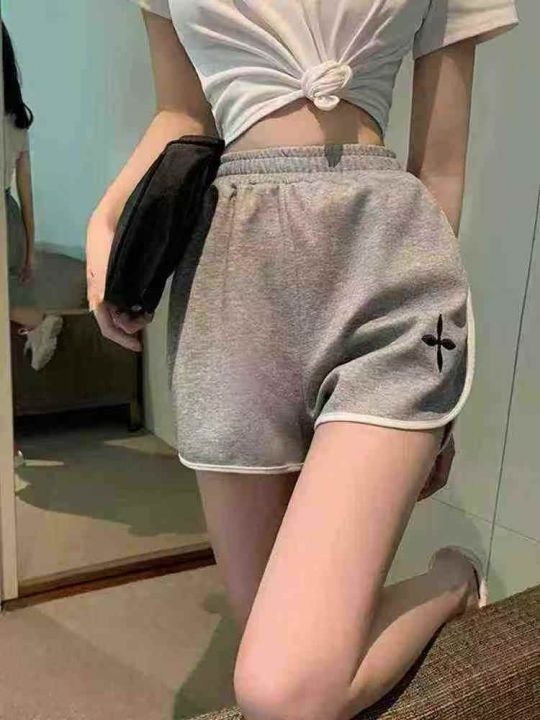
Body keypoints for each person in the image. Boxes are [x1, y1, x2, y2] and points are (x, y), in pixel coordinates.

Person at [87, 1, 518, 715]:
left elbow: (440, 171)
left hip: (389, 274)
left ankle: (452, 580)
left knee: (283, 689)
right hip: (232, 283)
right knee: (274, 640)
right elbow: (182, 115)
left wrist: (440, 396)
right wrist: (108, 217)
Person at [2, 21, 63, 375]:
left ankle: (38, 321)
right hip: (11, 218)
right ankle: (37, 325)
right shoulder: (16, 119)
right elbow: (25, 191)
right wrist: (28, 249)